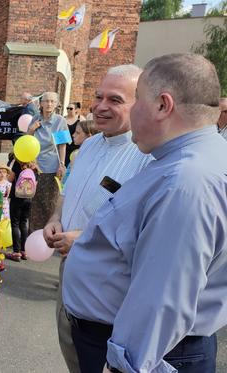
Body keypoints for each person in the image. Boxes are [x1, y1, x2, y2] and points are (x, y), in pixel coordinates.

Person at [63, 53, 227, 373]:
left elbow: (163, 299)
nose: (132, 110)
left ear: (163, 106)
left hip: (154, 354)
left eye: (136, 100)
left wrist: (124, 365)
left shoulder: (185, 181)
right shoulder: (185, 163)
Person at [42, 64, 152, 373]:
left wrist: (82, 238)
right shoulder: (89, 146)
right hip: (70, 274)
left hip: (107, 290)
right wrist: (55, 217)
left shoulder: (146, 156)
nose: (101, 107)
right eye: (98, 96)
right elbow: (68, 193)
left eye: (115, 100)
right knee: (73, 358)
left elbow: (141, 228)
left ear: (140, 103)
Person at [27, 91, 68, 232]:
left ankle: (48, 234)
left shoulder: (60, 121)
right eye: (46, 101)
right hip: (34, 167)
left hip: (51, 168)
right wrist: (31, 130)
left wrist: (61, 164)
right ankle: (33, 233)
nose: (49, 104)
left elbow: (62, 146)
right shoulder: (35, 119)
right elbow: (27, 142)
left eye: (52, 101)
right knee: (34, 203)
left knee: (49, 204)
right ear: (41, 103)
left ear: (56, 104)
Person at [4, 155, 37, 262]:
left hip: (17, 196)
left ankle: (16, 252)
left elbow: (10, 179)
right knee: (24, 222)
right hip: (29, 198)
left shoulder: (18, 165)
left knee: (15, 223)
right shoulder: (34, 167)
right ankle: (24, 251)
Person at [63, 102, 83, 166]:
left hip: (76, 146)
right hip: (65, 147)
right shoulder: (63, 119)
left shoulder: (81, 119)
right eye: (67, 108)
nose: (68, 110)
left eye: (71, 108)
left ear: (76, 110)